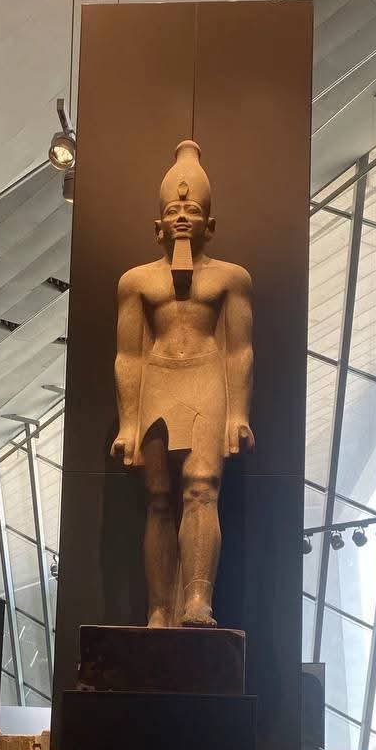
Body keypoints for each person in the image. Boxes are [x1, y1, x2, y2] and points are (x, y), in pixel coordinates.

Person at [111, 139, 254, 628]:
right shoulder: (136, 282)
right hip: (158, 380)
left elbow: (239, 350)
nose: (181, 217)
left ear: (209, 224)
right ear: (158, 225)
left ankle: (196, 600)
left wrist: (238, 413)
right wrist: (129, 422)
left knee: (202, 488)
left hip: (207, 379)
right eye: (173, 210)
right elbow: (129, 355)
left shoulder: (231, 279)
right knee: (157, 498)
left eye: (191, 210)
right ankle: (158, 606)